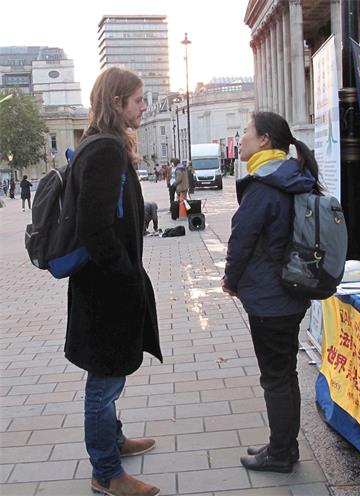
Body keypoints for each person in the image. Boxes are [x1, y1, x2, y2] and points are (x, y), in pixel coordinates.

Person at [64, 67, 162, 496]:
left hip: (103, 288)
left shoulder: (103, 145)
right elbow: (95, 230)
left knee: (110, 374)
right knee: (102, 384)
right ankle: (105, 471)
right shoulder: (104, 151)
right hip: (105, 291)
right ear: (117, 102)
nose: (144, 107)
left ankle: (114, 440)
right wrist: (126, 276)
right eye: (138, 100)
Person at [222, 111, 322, 474]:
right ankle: (284, 445)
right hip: (294, 291)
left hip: (269, 298)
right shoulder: (295, 176)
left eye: (247, 131)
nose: (242, 136)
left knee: (276, 376)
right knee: (285, 372)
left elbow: (241, 240)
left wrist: (230, 280)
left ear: (264, 140)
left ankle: (281, 453)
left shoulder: (264, 185)